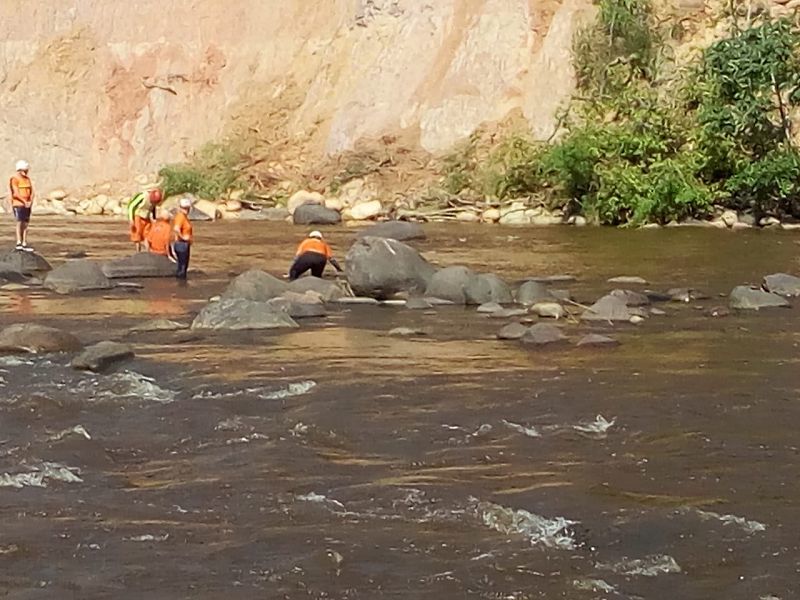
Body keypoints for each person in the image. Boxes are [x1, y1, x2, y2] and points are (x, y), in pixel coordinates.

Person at [127, 186, 164, 252]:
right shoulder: (143, 196)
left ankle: (148, 252)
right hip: (137, 216)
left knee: (148, 235)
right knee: (137, 236)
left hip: (147, 218)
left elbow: (153, 208)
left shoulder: (154, 201)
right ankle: (138, 252)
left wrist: (154, 218)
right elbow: (131, 206)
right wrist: (131, 219)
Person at [9, 160, 34, 252]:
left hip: (27, 204)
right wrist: (24, 201)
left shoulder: (27, 179)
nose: (26, 172)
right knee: (20, 222)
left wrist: (30, 201)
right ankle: (19, 242)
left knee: (26, 224)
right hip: (18, 204)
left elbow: (31, 191)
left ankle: (24, 242)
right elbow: (15, 193)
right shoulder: (14, 179)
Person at [172, 197, 193, 280]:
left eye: (187, 208)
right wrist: (183, 238)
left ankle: (180, 286)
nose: (186, 210)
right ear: (180, 208)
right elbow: (176, 229)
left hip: (184, 244)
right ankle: (181, 285)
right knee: (182, 267)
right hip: (181, 244)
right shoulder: (180, 217)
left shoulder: (184, 217)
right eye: (184, 208)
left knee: (183, 266)